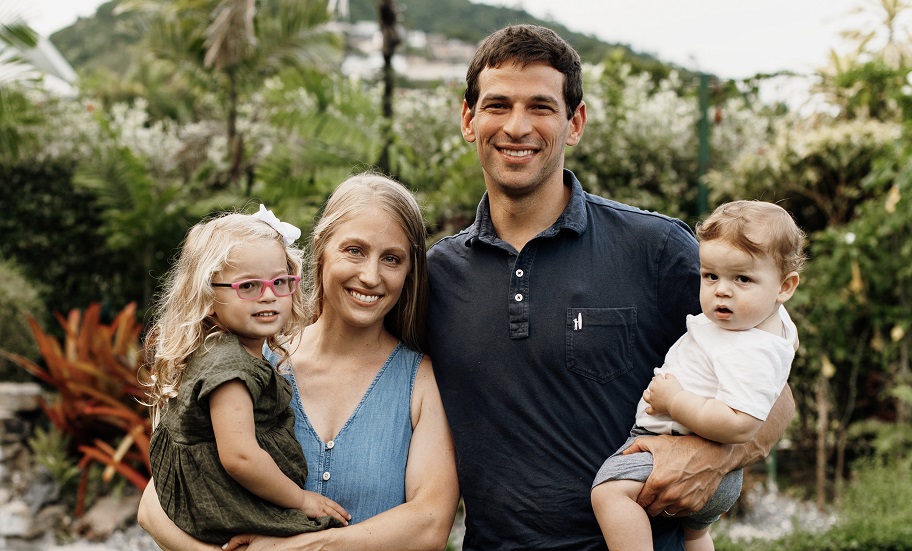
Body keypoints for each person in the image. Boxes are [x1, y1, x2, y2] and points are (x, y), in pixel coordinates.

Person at [425, 24, 796, 550]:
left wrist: (716, 459)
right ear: (469, 119)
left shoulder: (657, 248)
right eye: (497, 105)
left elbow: (776, 396)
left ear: (575, 123)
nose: (517, 125)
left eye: (541, 106)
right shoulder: (435, 276)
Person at [137, 173, 460, 551]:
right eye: (354, 250)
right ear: (321, 250)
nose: (370, 276)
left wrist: (303, 548)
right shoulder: (249, 363)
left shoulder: (420, 382)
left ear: (409, 272)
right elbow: (153, 505)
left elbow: (430, 524)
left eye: (392, 259)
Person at [591, 200, 805, 551]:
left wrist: (675, 401)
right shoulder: (774, 326)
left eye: (743, 278)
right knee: (696, 534)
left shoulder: (750, 349)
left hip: (677, 447)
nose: (722, 290)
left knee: (610, 494)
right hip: (715, 478)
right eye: (711, 276)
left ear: (785, 287)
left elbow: (740, 425)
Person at [143, 205, 349, 544]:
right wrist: (301, 500)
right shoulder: (230, 369)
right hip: (226, 503)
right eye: (249, 286)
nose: (268, 295)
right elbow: (240, 458)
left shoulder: (221, 352)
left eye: (279, 282)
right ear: (208, 297)